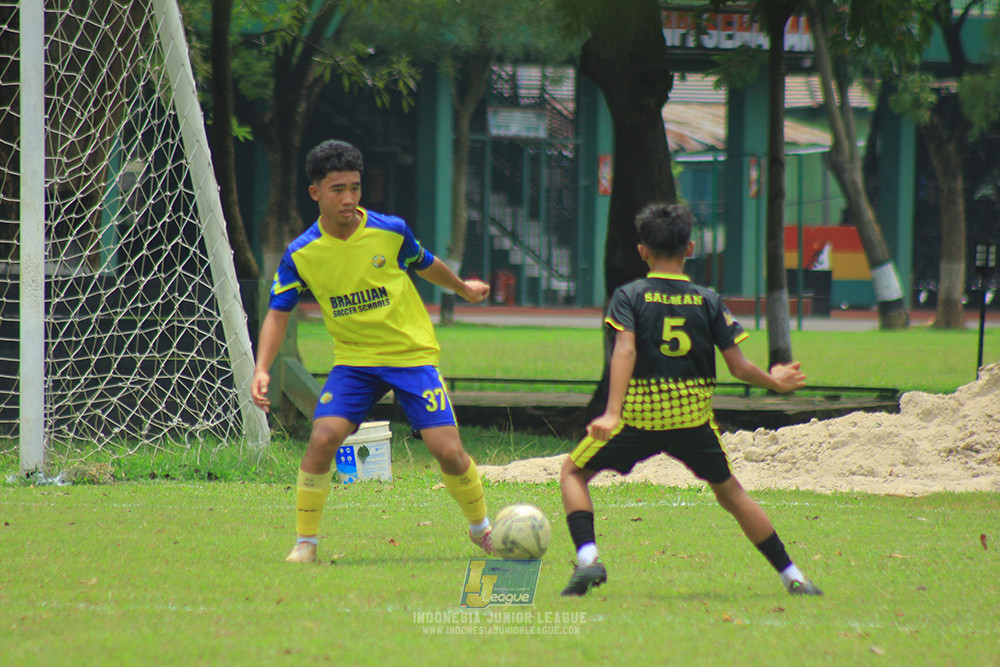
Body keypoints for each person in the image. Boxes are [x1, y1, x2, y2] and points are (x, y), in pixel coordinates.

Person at [559, 202, 823, 597]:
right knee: (731, 493)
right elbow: (738, 367)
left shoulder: (629, 295)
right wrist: (776, 381)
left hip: (640, 415)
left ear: (642, 250)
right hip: (691, 417)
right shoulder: (708, 299)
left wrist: (613, 413)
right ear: (691, 247)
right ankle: (794, 577)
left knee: (573, 473)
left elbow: (625, 350)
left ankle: (589, 560)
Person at [251, 139, 493, 564]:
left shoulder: (390, 230)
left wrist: (462, 288)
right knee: (323, 437)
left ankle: (482, 529)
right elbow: (277, 312)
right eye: (337, 189)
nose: (348, 199)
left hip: (411, 356)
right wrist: (262, 368)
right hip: (354, 363)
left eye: (355, 188)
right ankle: (305, 542)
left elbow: (425, 261)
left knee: (448, 452)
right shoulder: (301, 253)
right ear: (315, 194)